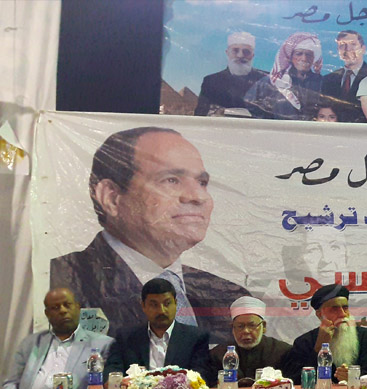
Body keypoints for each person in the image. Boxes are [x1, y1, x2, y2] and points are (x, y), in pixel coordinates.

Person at [50, 127, 250, 345]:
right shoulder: (61, 281)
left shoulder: (229, 298)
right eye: (171, 180)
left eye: (202, 182)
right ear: (111, 198)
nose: (198, 196)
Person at [2, 288, 114, 389]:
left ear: (78, 308)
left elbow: (106, 387)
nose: (62, 310)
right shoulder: (30, 343)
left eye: (67, 305)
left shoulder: (101, 344)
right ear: (47, 314)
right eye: (55, 307)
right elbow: (10, 384)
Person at [103, 278, 214, 383]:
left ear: (176, 304)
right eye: (154, 305)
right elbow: (112, 369)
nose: (161, 311)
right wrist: (117, 382)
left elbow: (201, 374)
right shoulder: (126, 337)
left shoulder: (195, 337)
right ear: (143, 306)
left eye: (167, 303)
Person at [284, 284, 367, 383]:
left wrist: (353, 376)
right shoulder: (303, 342)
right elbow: (296, 381)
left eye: (345, 308)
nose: (342, 314)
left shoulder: (365, 337)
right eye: (334, 309)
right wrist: (319, 348)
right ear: (319, 314)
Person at [209, 296, 292, 387]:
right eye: (240, 326)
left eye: (252, 325)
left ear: (264, 326)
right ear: (232, 328)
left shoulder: (283, 352)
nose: (246, 331)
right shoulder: (218, 355)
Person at [245, 32, 323, 120]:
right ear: (290, 56)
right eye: (299, 54)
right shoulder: (269, 82)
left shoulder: (322, 83)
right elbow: (251, 105)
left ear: (314, 58)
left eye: (308, 54)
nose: (304, 58)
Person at [194, 32, 267, 117]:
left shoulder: (266, 80)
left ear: (252, 55)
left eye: (246, 52)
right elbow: (201, 115)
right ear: (227, 53)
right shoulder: (211, 81)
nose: (240, 55)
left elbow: (273, 115)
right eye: (235, 50)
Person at [320, 30, 367, 123]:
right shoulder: (328, 79)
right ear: (338, 51)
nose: (348, 49)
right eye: (342, 45)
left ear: (363, 49)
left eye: (353, 44)